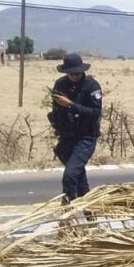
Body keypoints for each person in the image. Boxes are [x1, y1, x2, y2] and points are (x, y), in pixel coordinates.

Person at [48, 53, 102, 201]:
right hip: (66, 136)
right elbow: (57, 110)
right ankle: (90, 214)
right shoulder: (60, 84)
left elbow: (95, 113)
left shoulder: (91, 86)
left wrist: (71, 104)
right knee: (79, 178)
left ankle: (68, 208)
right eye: (71, 73)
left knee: (70, 175)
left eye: (77, 73)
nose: (75, 76)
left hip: (86, 137)